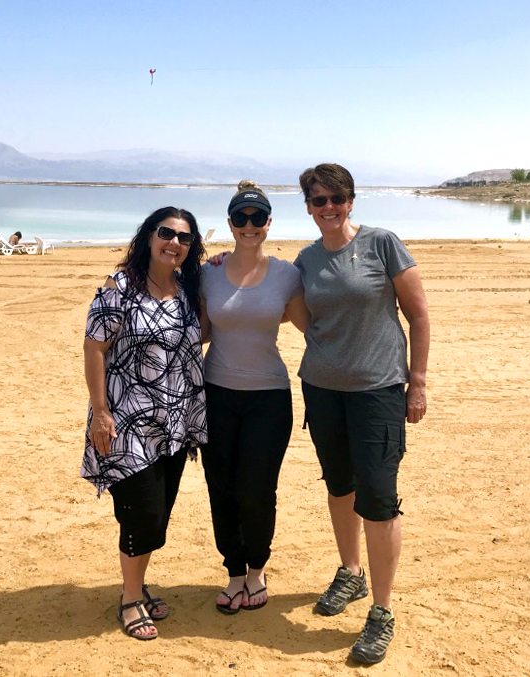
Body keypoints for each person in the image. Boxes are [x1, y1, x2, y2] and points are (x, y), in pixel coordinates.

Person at [293, 163, 429, 665]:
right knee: (339, 485)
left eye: (336, 199)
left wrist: (417, 383)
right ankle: (350, 572)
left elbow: (417, 314)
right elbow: (298, 313)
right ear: (307, 206)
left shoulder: (382, 243)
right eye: (317, 200)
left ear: (351, 200)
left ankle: (382, 610)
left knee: (378, 497)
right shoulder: (305, 261)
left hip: (379, 390)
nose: (327, 208)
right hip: (323, 391)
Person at [82, 206, 207, 640]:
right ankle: (130, 598)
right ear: (149, 237)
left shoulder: (188, 288)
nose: (174, 242)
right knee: (144, 512)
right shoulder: (120, 288)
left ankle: (136, 582)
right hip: (125, 422)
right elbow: (94, 348)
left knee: (157, 513)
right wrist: (100, 412)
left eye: (184, 238)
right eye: (166, 232)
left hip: (174, 424)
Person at [198, 181, 307, 615]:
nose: (248, 225)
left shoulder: (287, 274)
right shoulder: (208, 272)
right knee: (221, 487)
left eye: (257, 218)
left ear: (268, 224)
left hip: (269, 397)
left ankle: (257, 570)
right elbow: (200, 332)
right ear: (229, 224)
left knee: (258, 489)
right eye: (240, 218)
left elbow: (311, 329)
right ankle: (234, 573)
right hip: (215, 395)